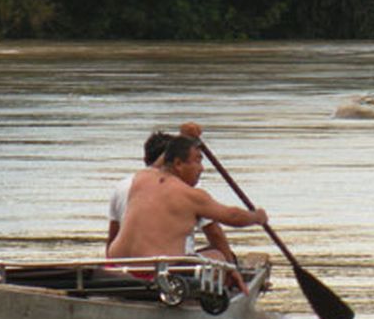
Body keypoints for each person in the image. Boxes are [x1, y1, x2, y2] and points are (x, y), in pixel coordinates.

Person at [107, 135, 267, 292]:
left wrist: (185, 136)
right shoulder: (191, 196)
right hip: (154, 275)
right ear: (178, 164)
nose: (202, 168)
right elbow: (232, 216)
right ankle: (219, 294)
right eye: (197, 160)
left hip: (114, 268)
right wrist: (256, 217)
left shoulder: (141, 178)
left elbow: (165, 159)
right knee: (218, 257)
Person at [106, 123, 235, 262]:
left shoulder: (122, 186)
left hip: (129, 265)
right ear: (176, 161)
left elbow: (112, 242)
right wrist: (231, 266)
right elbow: (215, 234)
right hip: (173, 268)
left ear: (145, 160)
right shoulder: (189, 189)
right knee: (220, 255)